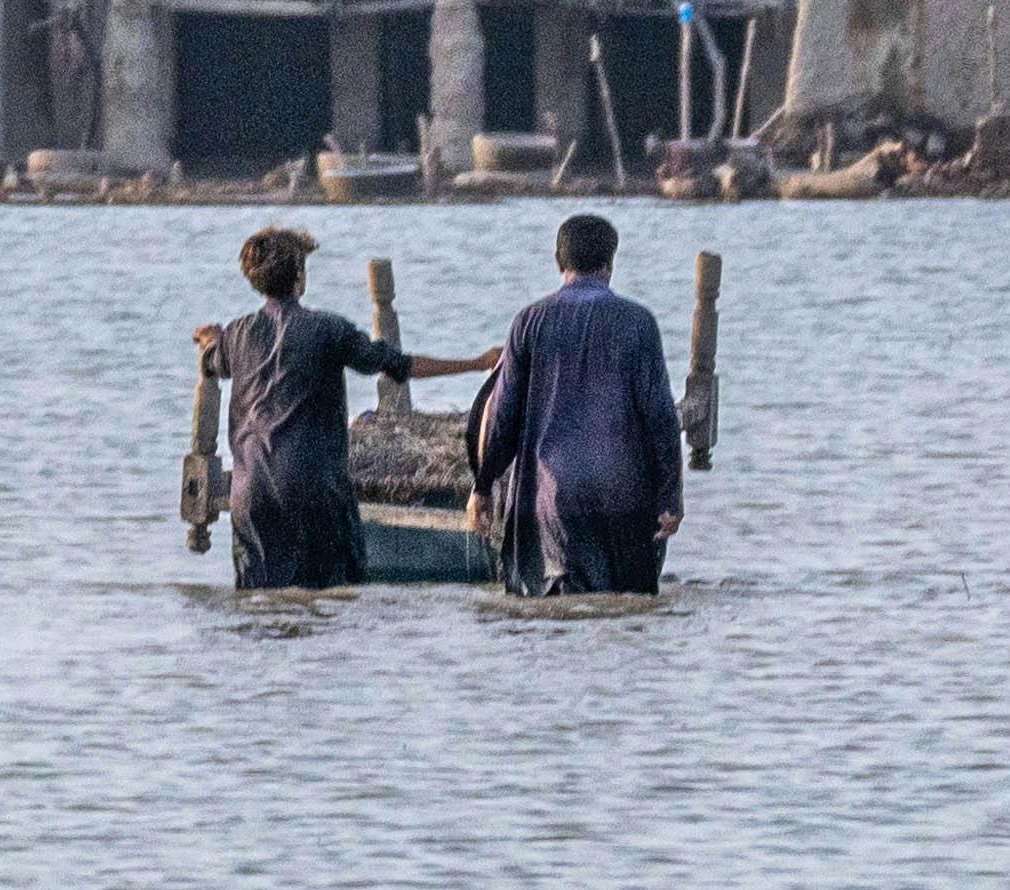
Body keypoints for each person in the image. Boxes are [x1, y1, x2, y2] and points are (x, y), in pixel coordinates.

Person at [198, 224, 495, 590]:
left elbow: (213, 360)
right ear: (299, 277)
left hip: (252, 493)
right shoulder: (327, 330)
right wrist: (476, 362)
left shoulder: (237, 335)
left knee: (260, 599)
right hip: (315, 488)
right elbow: (399, 366)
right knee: (332, 597)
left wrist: (212, 339)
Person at [472, 211, 685, 599]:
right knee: (622, 605)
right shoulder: (638, 322)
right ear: (610, 264)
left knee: (549, 607)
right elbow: (660, 417)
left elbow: (503, 418)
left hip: (549, 503)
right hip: (623, 498)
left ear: (558, 262)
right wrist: (670, 496)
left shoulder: (528, 322)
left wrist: (483, 486)